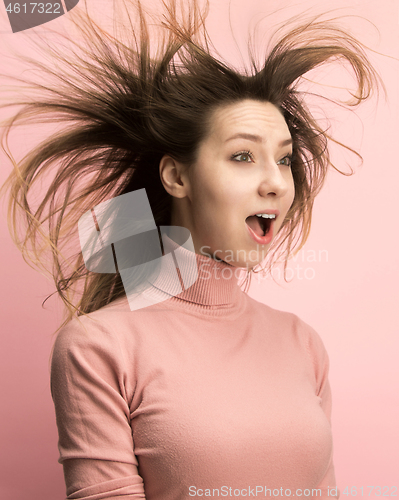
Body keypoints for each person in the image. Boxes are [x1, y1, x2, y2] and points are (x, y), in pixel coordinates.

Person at [0, 0, 383, 498]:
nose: (275, 183)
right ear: (176, 176)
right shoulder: (98, 345)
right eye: (243, 156)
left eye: (285, 160)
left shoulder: (302, 343)